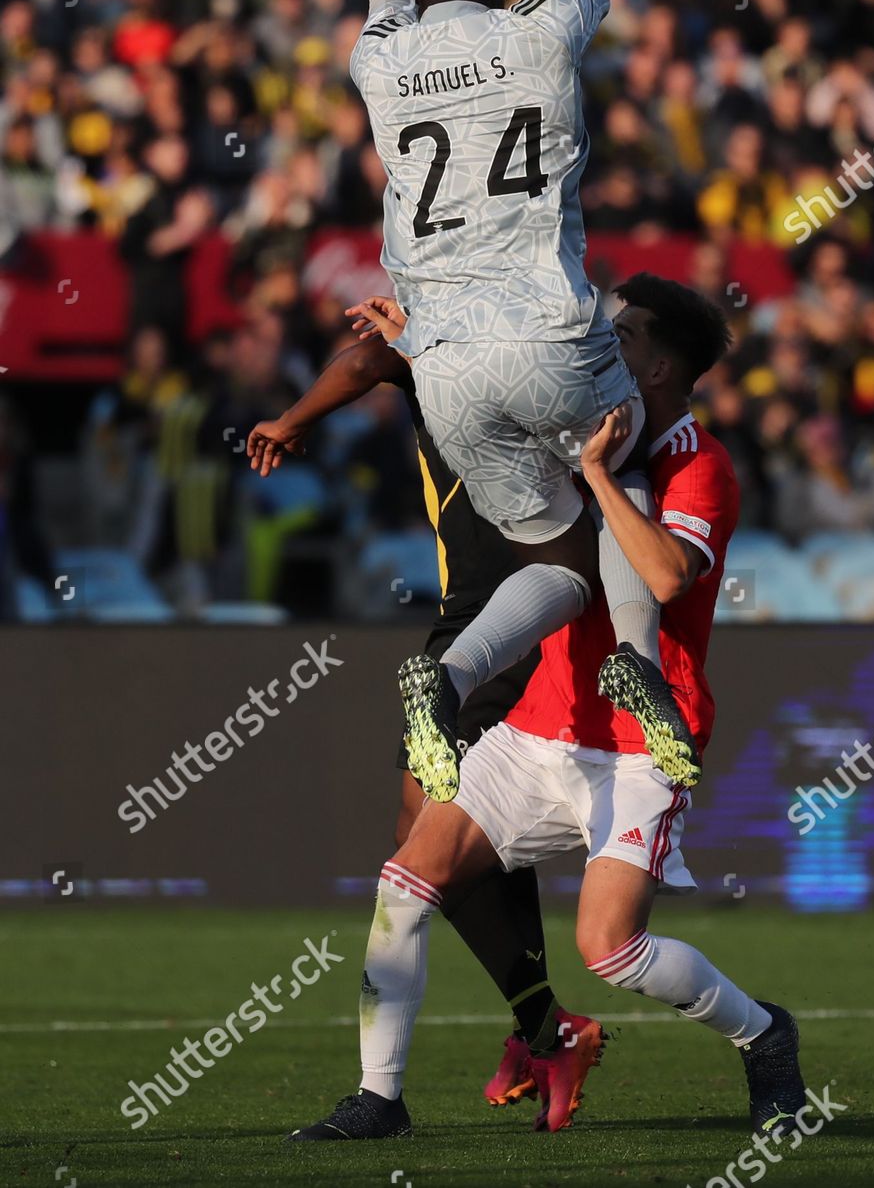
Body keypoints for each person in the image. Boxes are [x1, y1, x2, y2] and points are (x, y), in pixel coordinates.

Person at [290, 275, 807, 1142]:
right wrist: (422, 348)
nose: (609, 343)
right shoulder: (585, 426)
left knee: (612, 952)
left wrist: (600, 476)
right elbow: (496, 399)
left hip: (644, 743)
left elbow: (669, 577)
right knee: (404, 886)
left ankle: (764, 1034)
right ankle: (380, 1099)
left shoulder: (698, 463)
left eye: (629, 335)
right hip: (542, 723)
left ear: (662, 368)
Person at [349, 0, 699, 805]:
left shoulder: (380, 60)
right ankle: (637, 665)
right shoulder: (540, 36)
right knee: (623, 467)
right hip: (549, 332)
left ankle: (448, 680)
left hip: (444, 369)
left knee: (550, 551)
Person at [246, 325, 596, 1114]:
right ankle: (543, 1032)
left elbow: (367, 361)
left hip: (509, 613)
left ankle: (527, 1038)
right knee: (446, 830)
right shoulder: (529, 343)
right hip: (489, 608)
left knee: (435, 833)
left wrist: (292, 418)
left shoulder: (447, 346)